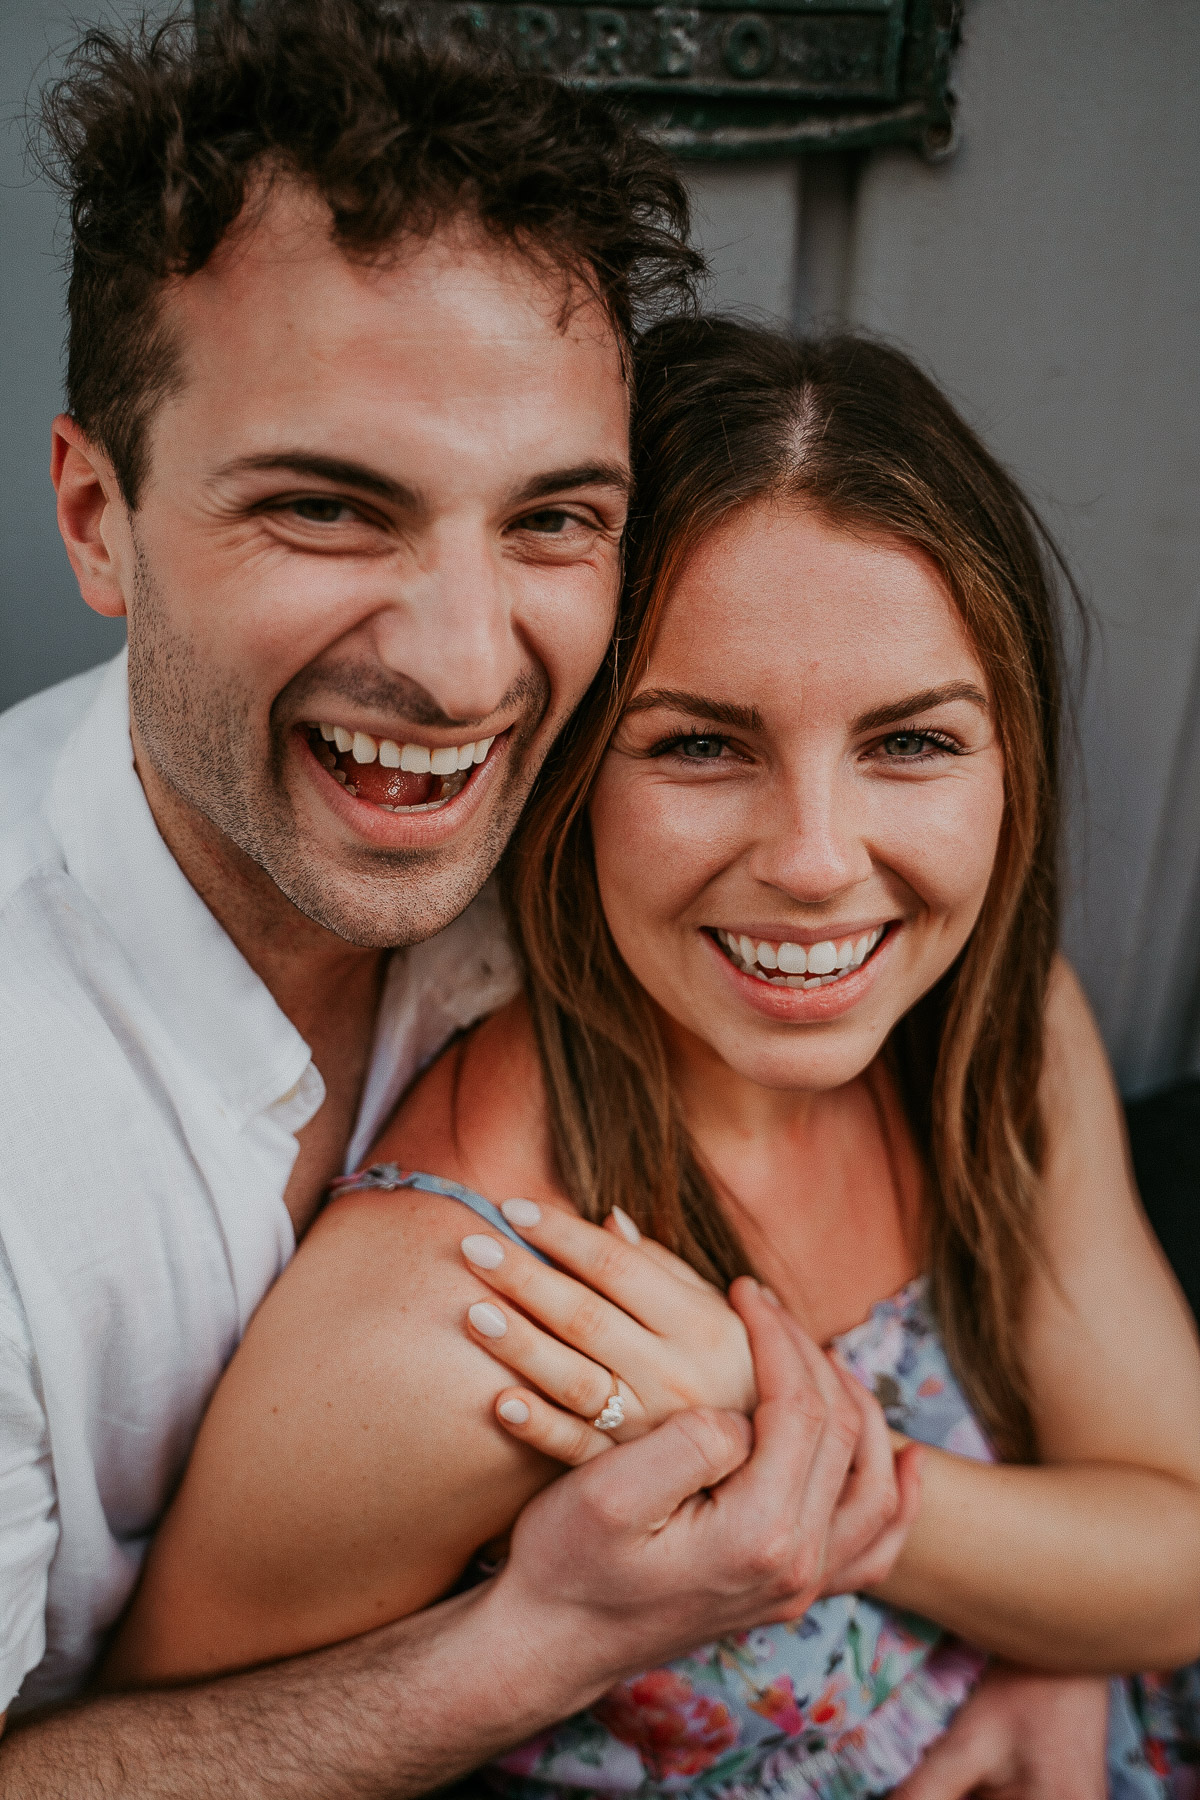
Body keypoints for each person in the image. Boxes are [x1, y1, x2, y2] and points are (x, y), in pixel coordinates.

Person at [0, 5, 919, 1792]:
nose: (464, 663)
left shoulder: (622, 812)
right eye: (332, 509)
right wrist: (525, 1654)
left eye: (554, 520)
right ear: (97, 515)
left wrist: (1007, 1655)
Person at [102, 323, 1200, 1797]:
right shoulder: (467, 1329)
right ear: (563, 775)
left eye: (913, 744)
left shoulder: (986, 1039)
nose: (817, 863)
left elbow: (1181, 1550)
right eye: (698, 746)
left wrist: (801, 1447)